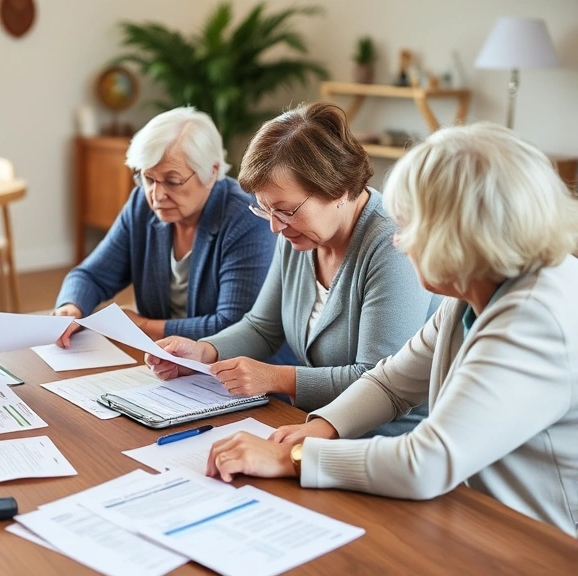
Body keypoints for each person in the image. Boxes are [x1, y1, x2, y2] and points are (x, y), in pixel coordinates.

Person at [205, 123, 578, 537]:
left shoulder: (533, 319)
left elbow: (427, 462)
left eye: (409, 225)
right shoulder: (473, 291)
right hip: (480, 519)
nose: (398, 241)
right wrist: (318, 429)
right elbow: (390, 383)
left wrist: (291, 459)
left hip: (542, 542)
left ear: (460, 234)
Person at [147, 102, 437, 435]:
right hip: (314, 422)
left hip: (387, 438)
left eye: (285, 210)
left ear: (339, 189)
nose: (274, 226)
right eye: (265, 209)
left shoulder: (392, 244)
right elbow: (261, 327)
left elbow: (375, 380)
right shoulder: (300, 232)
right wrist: (203, 351)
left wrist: (276, 377)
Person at [53, 106, 293, 363]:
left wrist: (144, 325)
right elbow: (92, 275)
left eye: (172, 181)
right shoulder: (142, 204)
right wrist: (71, 307)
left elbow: (234, 326)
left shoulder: (245, 217)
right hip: (168, 361)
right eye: (148, 178)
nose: (157, 195)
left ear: (211, 173)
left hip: (243, 368)